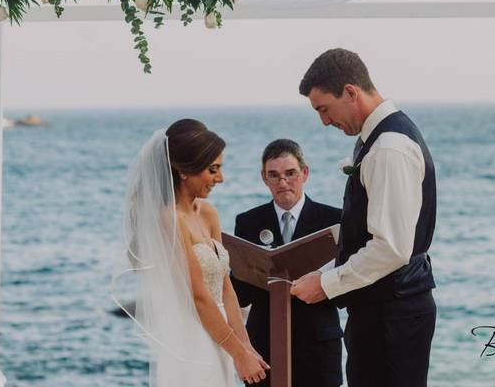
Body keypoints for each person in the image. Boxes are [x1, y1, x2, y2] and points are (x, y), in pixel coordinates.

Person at [290, 49, 437, 387]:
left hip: (392, 316)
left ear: (351, 92)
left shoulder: (388, 148)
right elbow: (370, 236)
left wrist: (326, 284)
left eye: (324, 109)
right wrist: (324, 271)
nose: (324, 122)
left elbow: (391, 249)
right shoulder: (379, 139)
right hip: (383, 310)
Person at [113, 119, 269, 386]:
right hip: (192, 338)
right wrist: (238, 354)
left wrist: (245, 346)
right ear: (184, 170)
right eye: (213, 169)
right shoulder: (169, 220)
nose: (220, 178)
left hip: (222, 337)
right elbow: (198, 297)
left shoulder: (209, 213)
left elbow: (225, 287)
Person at [232, 139, 343, 387]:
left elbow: (346, 286)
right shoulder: (248, 222)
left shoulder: (334, 219)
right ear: (264, 178)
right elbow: (240, 295)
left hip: (319, 347)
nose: (283, 182)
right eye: (274, 175)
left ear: (305, 173)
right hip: (265, 347)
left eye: (290, 173)